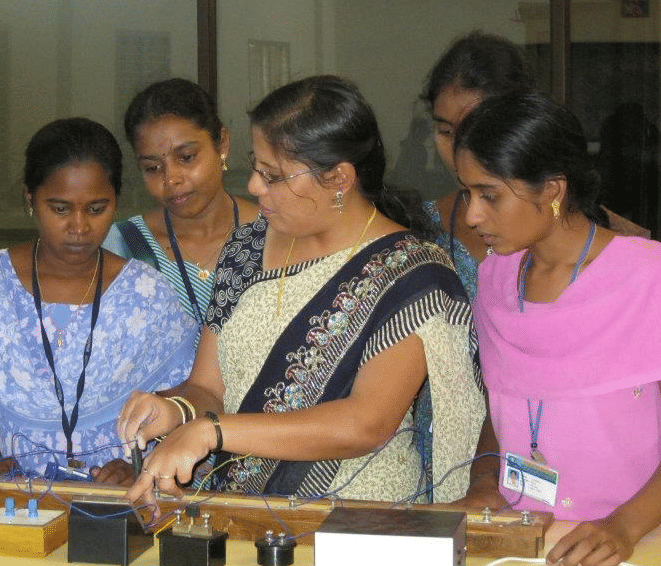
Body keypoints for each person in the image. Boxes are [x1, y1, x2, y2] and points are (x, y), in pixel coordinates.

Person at [117, 75, 485, 511]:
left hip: (357, 521)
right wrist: (175, 410)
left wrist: (212, 432)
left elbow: (366, 423)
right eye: (256, 167)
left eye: (272, 176)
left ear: (338, 179)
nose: (254, 186)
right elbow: (207, 388)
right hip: (243, 515)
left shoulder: (411, 270)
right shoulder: (246, 249)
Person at [455, 92, 661, 566]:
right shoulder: (496, 277)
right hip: (521, 541)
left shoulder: (646, 277)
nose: (471, 215)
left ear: (552, 189)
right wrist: (484, 483)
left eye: (490, 195)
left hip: (630, 542)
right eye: (467, 192)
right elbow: (503, 402)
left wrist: (624, 527)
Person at [0, 118, 196, 481]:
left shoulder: (146, 294)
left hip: (115, 495)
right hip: (8, 490)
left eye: (96, 208)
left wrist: (139, 465)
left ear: (115, 201)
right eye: (60, 208)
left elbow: (177, 399)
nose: (79, 227)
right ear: (30, 199)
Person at [420, 31, 649, 301]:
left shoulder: (632, 259)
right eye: (446, 131)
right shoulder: (420, 229)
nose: (460, 149)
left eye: (478, 130)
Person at [103, 78, 259, 330]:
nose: (171, 178)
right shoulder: (122, 247)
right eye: (152, 168)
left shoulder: (275, 234)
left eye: (186, 157)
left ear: (223, 143)